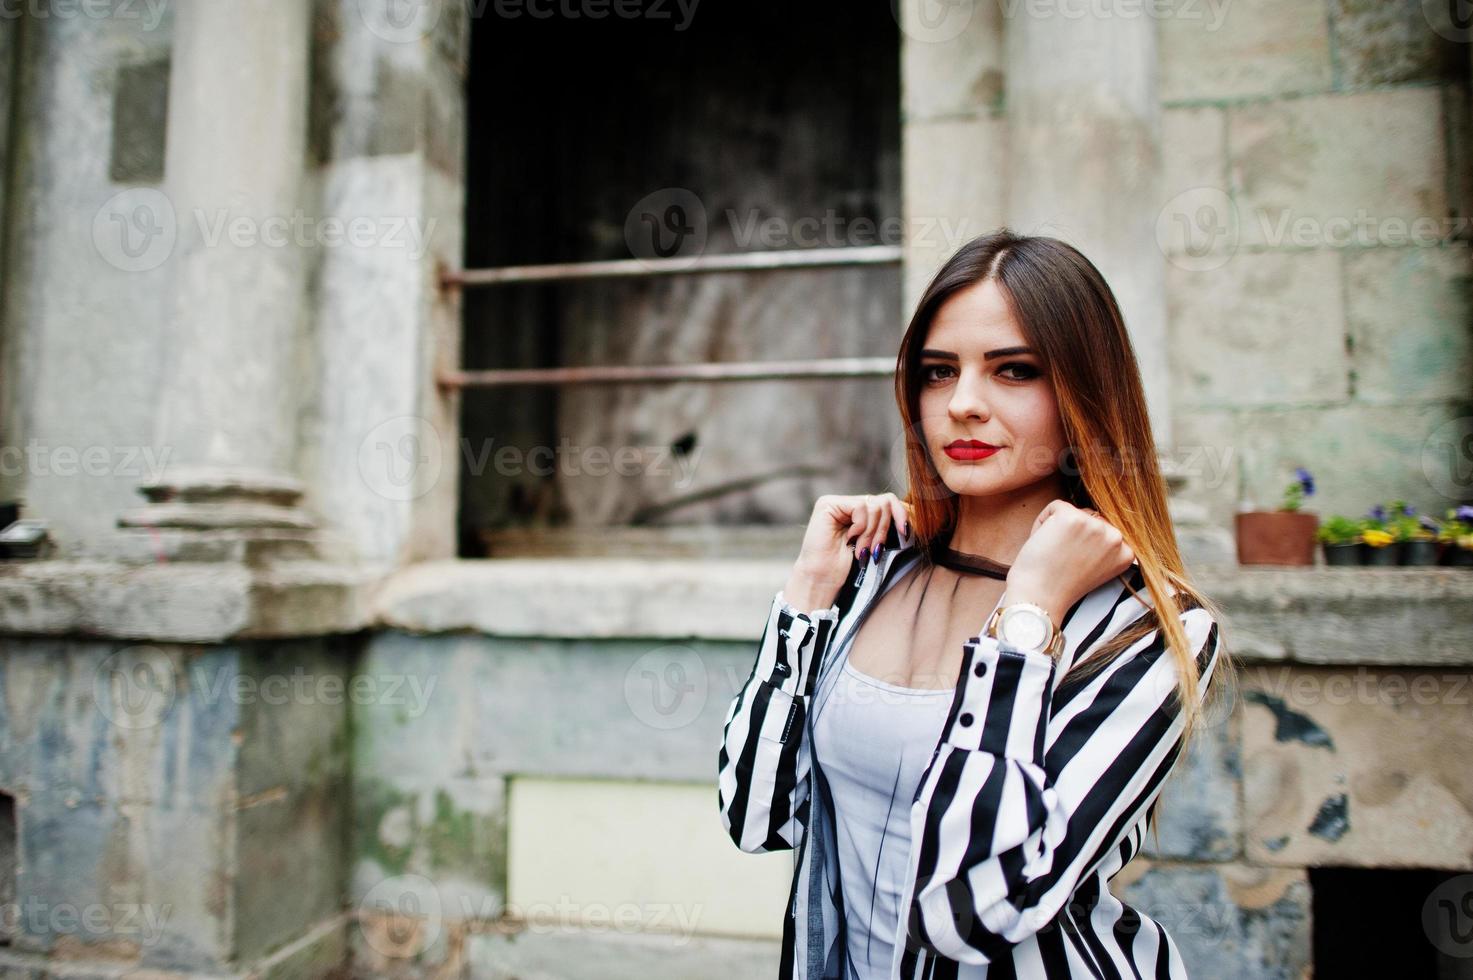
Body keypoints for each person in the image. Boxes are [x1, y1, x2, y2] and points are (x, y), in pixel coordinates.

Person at [717, 229, 1236, 979]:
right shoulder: (874, 576)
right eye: (937, 372)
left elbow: (970, 913)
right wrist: (805, 593)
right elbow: (756, 813)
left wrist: (1027, 620)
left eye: (1013, 371)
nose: (961, 405)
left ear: (1083, 394)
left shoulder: (1142, 627)